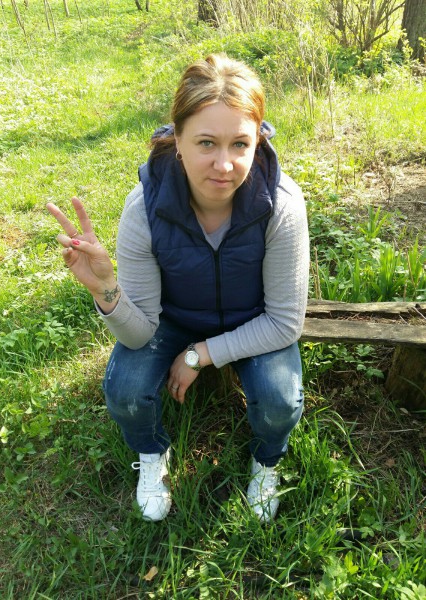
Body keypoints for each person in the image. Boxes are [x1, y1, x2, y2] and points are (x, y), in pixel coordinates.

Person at [47, 53, 310, 523]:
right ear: (178, 140)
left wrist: (199, 355)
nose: (224, 165)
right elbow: (139, 333)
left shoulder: (280, 205)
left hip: (255, 319)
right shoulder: (145, 209)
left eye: (240, 144)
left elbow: (285, 322)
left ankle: (267, 461)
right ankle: (152, 453)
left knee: (279, 401)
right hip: (172, 318)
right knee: (126, 391)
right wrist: (106, 289)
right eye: (206, 142)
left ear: (259, 141)